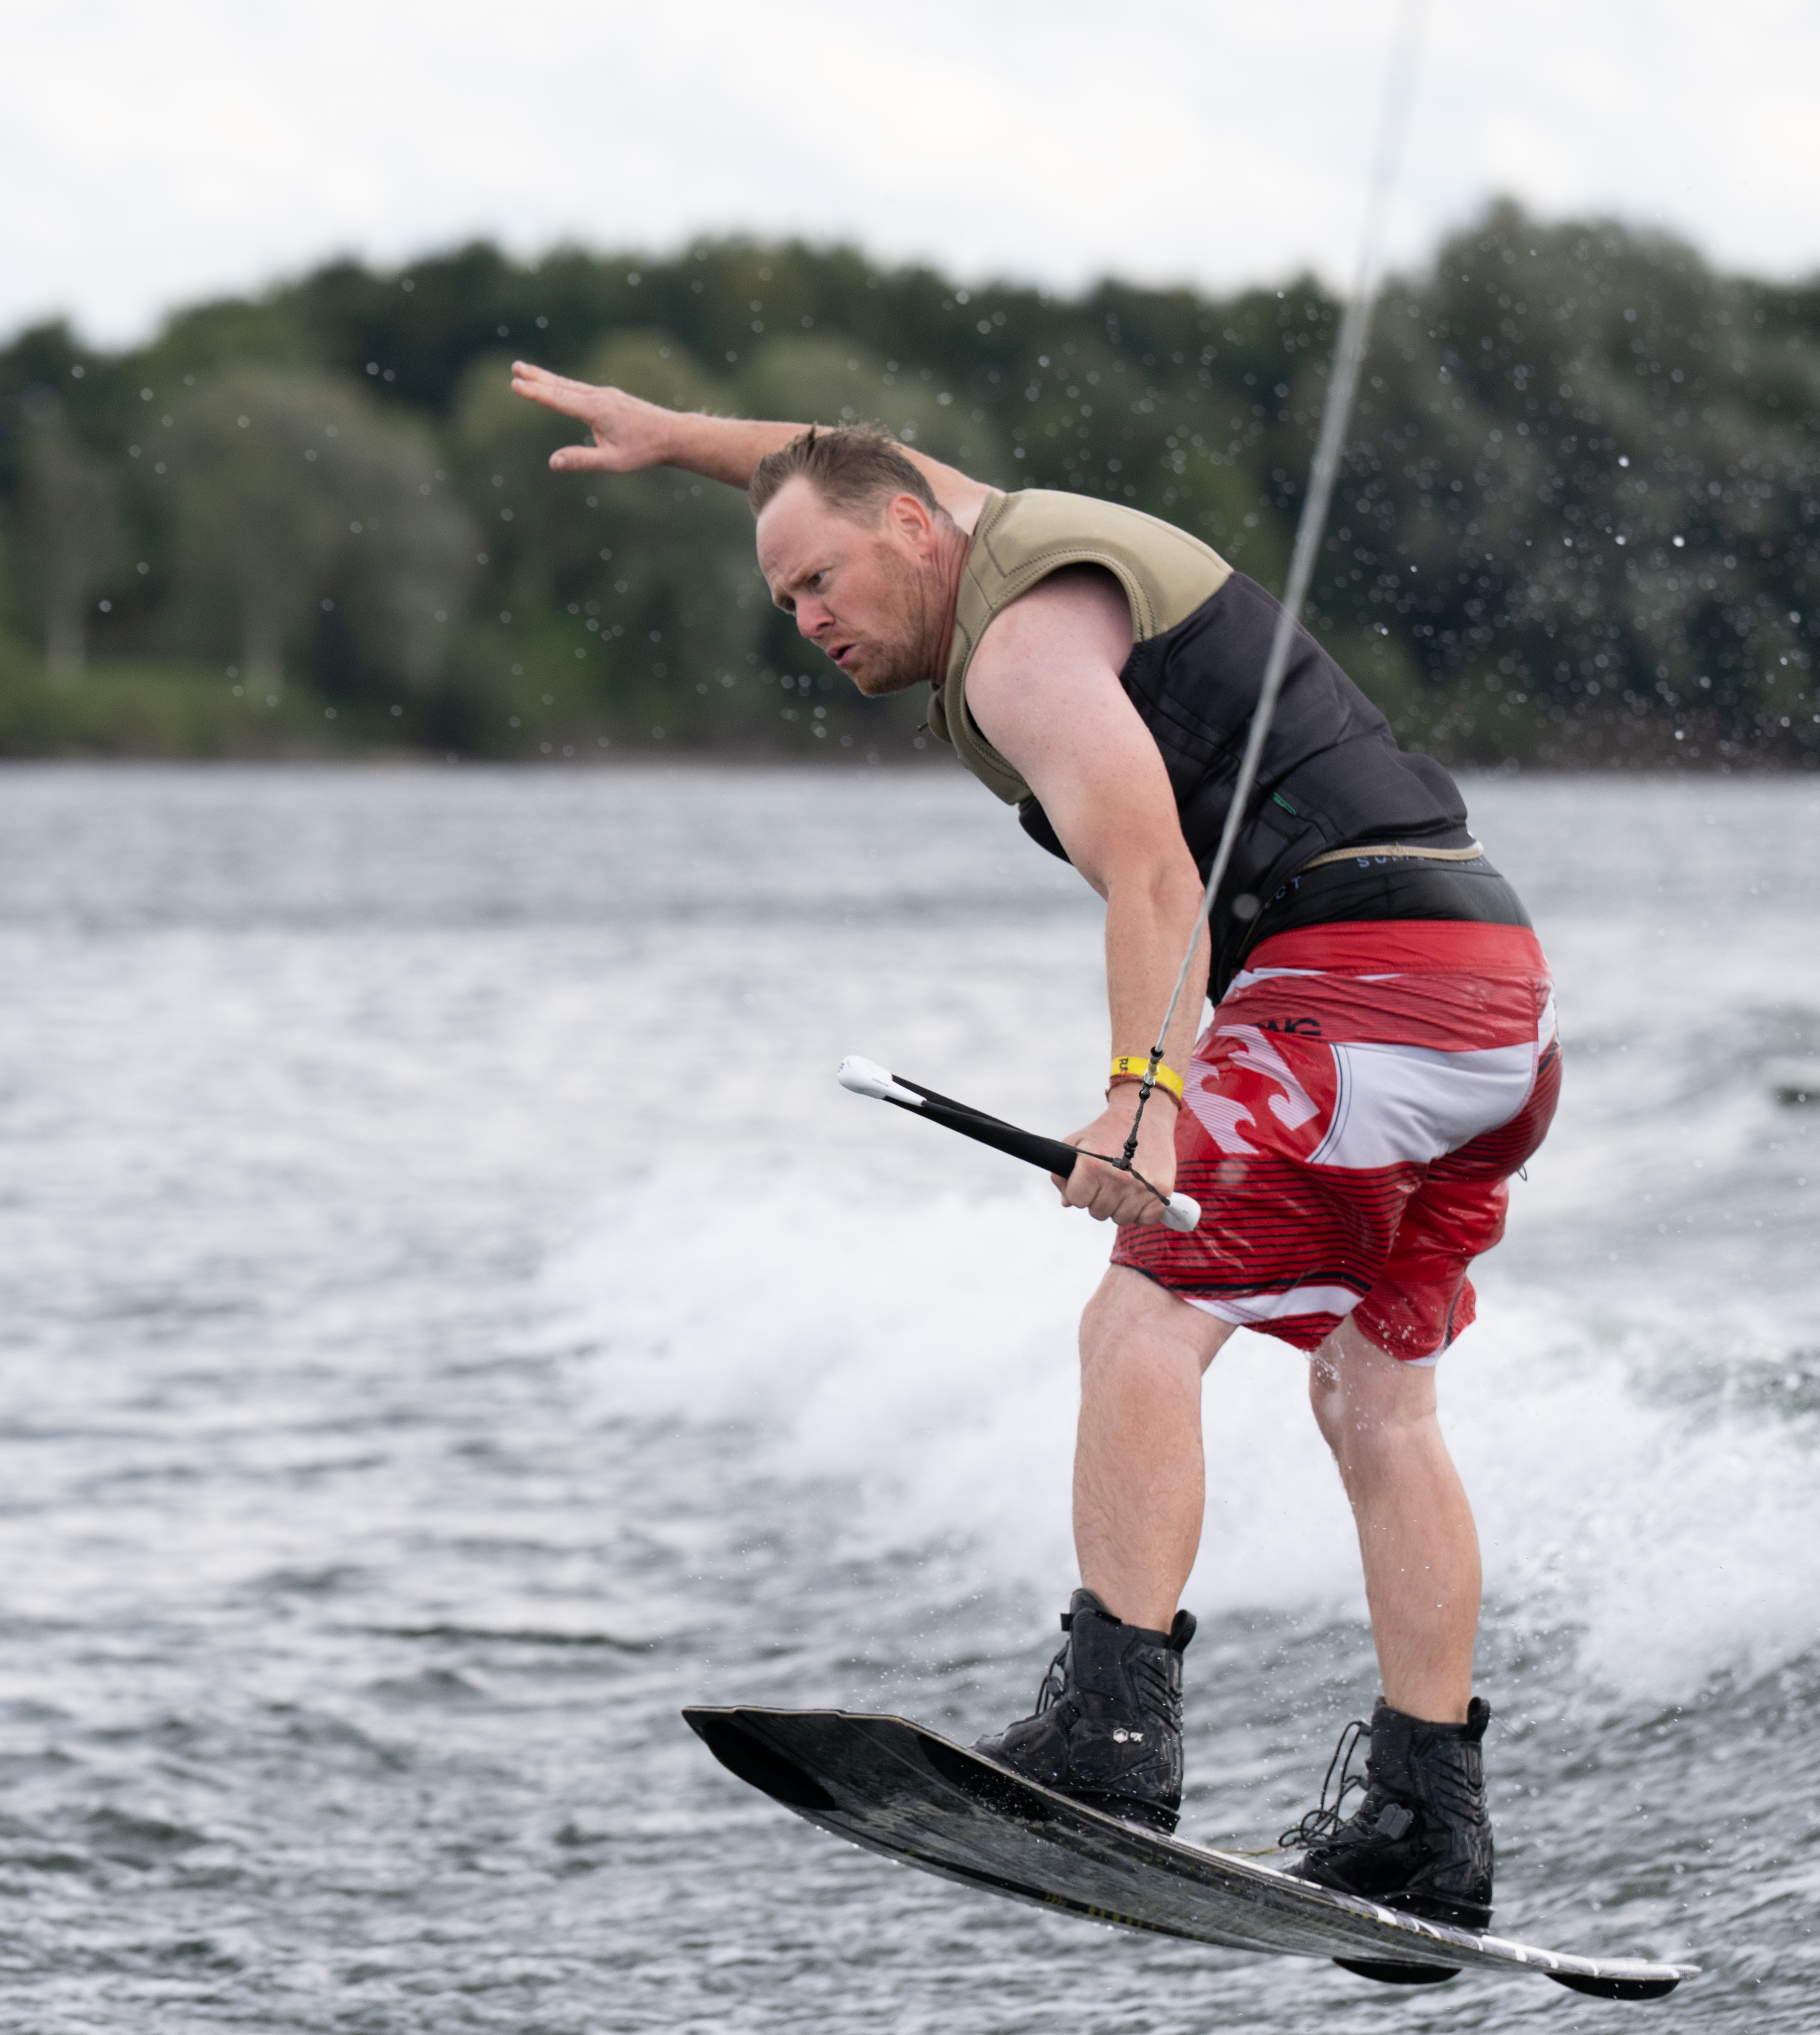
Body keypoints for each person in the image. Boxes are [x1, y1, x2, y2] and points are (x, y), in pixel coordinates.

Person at [514, 361, 1557, 1950]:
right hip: (1488, 994)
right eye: (781, 593)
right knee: (1373, 1398)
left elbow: (1153, 873)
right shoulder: (1002, 533)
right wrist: (684, 446)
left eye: (818, 580)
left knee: (1138, 1321)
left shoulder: (1018, 651)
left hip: (1354, 978)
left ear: (921, 534)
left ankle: (1114, 1737)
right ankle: (1429, 1829)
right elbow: (833, 468)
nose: (803, 616)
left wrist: (1144, 1091)